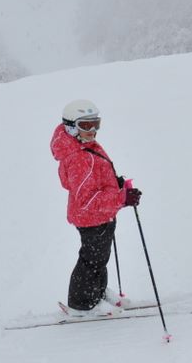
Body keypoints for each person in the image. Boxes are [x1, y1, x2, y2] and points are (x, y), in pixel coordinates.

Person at [50, 99, 142, 316]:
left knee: (99, 258)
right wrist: (120, 198)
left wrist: (113, 183)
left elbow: (92, 181)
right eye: (85, 125)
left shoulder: (83, 146)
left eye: (95, 124)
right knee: (91, 260)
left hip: (101, 216)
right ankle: (81, 304)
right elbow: (86, 202)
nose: (92, 130)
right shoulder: (79, 157)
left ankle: (97, 292)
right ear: (71, 127)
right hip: (91, 218)